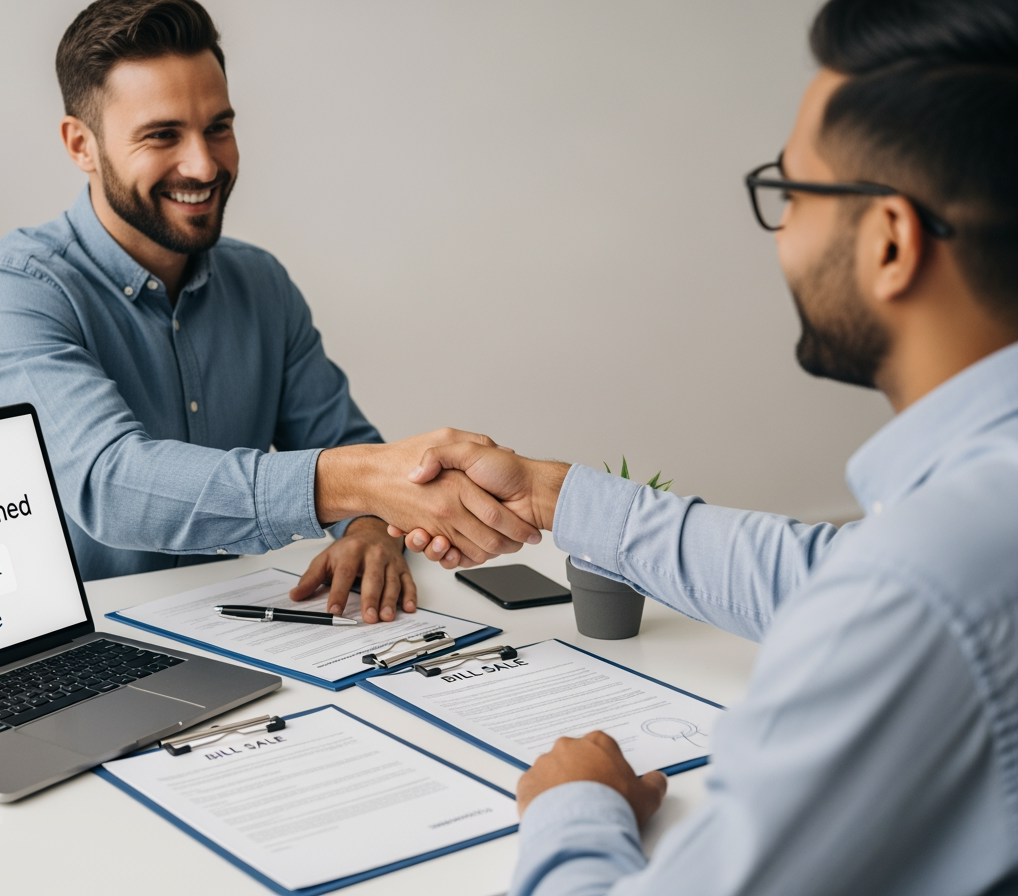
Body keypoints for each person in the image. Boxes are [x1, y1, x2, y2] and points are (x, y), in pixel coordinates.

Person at [392, 0, 1018, 892]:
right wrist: (553, 496)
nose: (782, 233)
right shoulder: (969, 520)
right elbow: (831, 577)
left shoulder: (925, 588)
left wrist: (574, 805)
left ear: (890, 241)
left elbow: (888, 593)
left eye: (792, 194)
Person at [0, 0, 540, 623]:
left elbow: (345, 445)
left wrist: (370, 529)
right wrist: (360, 481)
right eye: (162, 135)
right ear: (82, 145)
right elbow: (110, 484)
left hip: (233, 631)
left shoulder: (261, 283)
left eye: (218, 128)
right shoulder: (8, 297)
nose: (204, 165)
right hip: (70, 650)